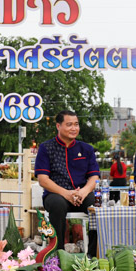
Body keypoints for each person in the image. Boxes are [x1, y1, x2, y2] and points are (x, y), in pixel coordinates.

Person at [34, 110, 99, 256]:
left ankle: (94, 254)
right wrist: (66, 193)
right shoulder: (46, 148)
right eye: (69, 125)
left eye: (76, 124)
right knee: (57, 204)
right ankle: (58, 255)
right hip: (56, 194)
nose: (74, 128)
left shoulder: (86, 149)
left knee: (97, 204)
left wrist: (83, 192)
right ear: (58, 126)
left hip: (81, 194)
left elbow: (94, 177)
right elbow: (43, 179)